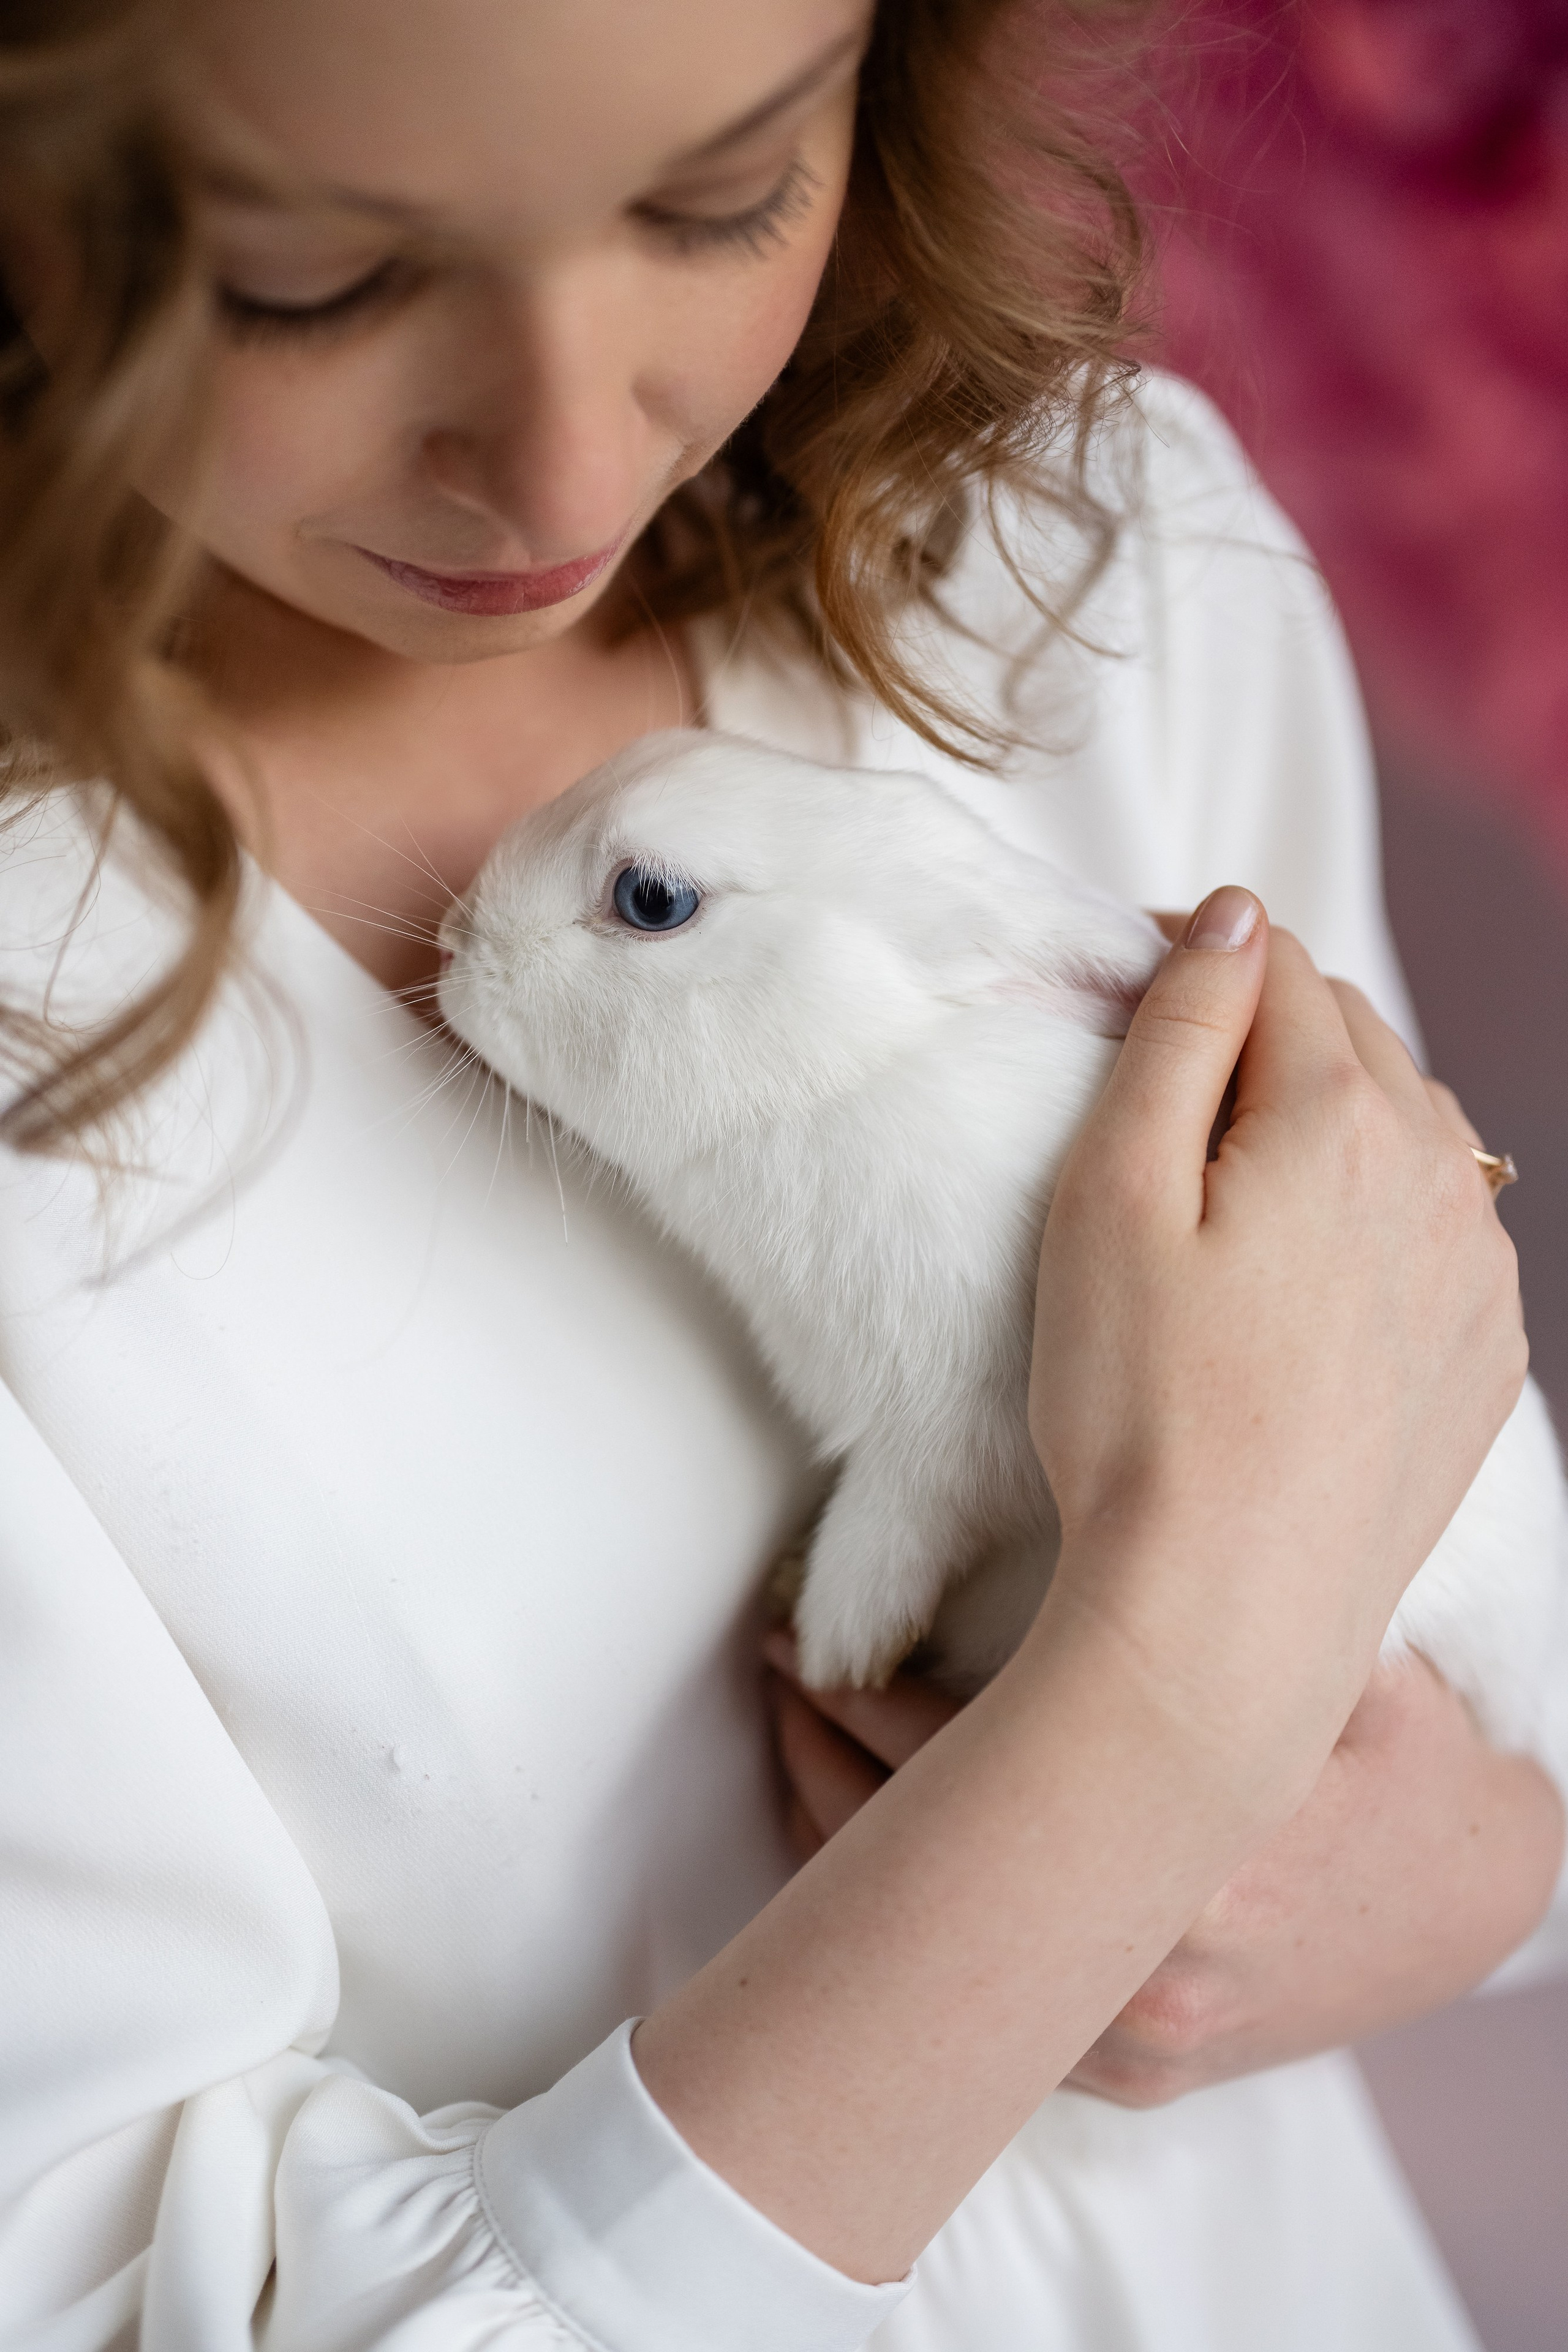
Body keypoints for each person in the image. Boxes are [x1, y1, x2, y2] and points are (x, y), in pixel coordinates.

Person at [0, 1, 1561, 2346]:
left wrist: (1484, 1870)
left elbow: (1465, 1495)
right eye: (310, 277)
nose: (558, 459)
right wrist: (1144, 1736)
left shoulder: (1091, 574)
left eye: (720, 195)